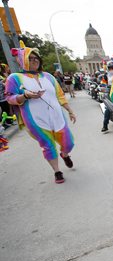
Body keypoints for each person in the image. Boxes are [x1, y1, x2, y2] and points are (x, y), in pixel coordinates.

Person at [6, 46, 76, 183]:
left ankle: (65, 154)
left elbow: (60, 96)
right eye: (30, 58)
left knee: (69, 142)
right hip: (35, 119)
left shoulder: (48, 77)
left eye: (36, 58)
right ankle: (57, 171)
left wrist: (70, 111)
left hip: (57, 116)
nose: (34, 61)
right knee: (47, 144)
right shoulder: (14, 78)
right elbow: (10, 98)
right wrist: (25, 96)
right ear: (22, 60)